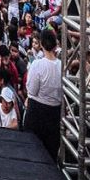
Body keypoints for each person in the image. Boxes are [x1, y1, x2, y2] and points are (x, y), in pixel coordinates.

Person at [24, 29, 62, 161]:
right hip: (54, 113)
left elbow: (32, 90)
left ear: (41, 44)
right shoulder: (62, 66)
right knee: (50, 154)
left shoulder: (37, 65)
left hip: (37, 112)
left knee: (32, 152)